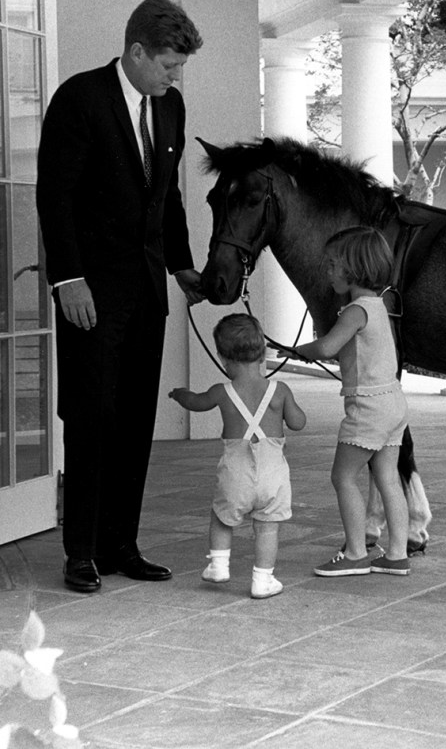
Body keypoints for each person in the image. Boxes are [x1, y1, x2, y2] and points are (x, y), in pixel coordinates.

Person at [36, 0, 204, 593]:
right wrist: (67, 278)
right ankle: (79, 551)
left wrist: (182, 266)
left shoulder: (171, 107)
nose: (175, 77)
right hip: (90, 291)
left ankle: (119, 545)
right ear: (136, 52)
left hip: (146, 291)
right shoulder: (79, 99)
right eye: (168, 65)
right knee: (91, 416)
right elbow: (54, 197)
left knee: (134, 418)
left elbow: (168, 196)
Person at [278, 226, 411, 577]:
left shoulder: (355, 310)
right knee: (387, 477)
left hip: (368, 407)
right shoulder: (380, 305)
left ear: (355, 267)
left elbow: (326, 347)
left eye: (333, 265)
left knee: (343, 477)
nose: (328, 271)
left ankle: (355, 553)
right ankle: (396, 553)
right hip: (392, 403)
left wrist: (293, 351)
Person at [169, 314, 306, 598]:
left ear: (222, 357)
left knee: (222, 517)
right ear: (262, 352)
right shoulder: (279, 390)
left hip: (235, 473)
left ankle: (219, 565)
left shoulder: (221, 392)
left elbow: (195, 402)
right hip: (273, 475)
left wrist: (180, 394)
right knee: (268, 527)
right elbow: (298, 422)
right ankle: (263, 580)